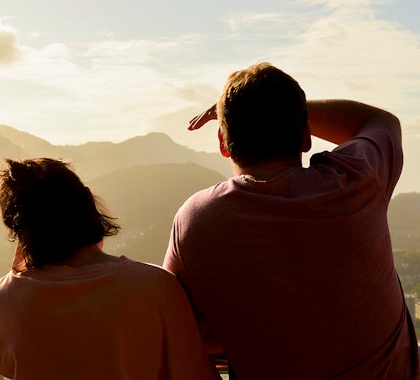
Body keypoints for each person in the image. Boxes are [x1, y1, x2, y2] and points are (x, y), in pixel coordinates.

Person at [163, 62, 419, 379]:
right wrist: (285, 111)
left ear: (222, 144)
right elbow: (381, 120)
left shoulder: (197, 221)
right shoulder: (356, 180)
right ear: (306, 137)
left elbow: (175, 329)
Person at [0, 157, 217, 380]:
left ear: (17, 228)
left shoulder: (7, 297)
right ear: (88, 202)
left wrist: (21, 262)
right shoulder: (154, 285)